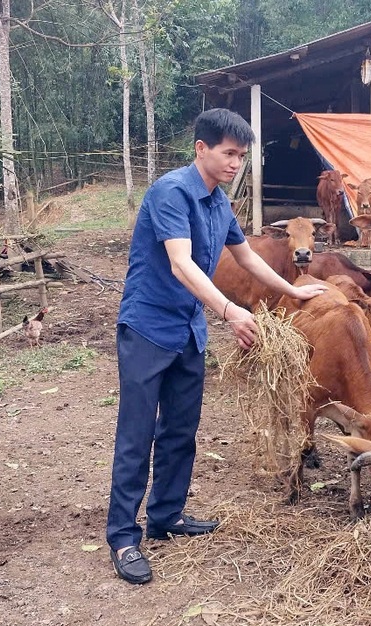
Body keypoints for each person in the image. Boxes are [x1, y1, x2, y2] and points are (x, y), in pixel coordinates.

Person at [106, 108, 326, 585]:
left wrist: (293, 290)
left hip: (187, 331)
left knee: (182, 430)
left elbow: (244, 256)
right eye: (228, 154)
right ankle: (124, 536)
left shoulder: (218, 201)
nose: (235, 164)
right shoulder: (171, 193)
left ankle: (166, 516)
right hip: (147, 328)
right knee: (137, 434)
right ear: (201, 149)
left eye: (241, 157)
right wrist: (229, 311)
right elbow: (183, 264)